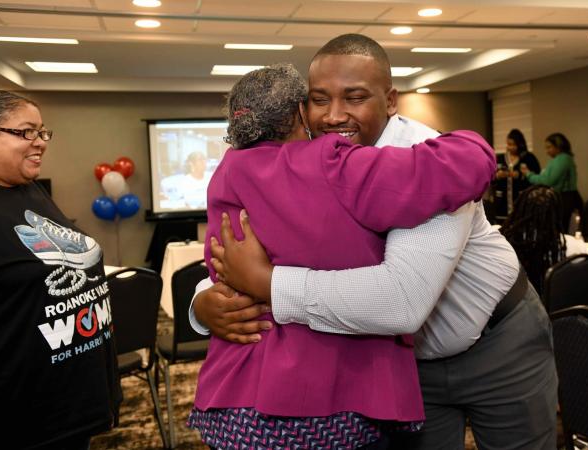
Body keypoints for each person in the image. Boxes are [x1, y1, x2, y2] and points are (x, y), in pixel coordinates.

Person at [193, 34, 558, 450]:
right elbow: (251, 244)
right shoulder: (305, 156)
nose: (334, 116)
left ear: (390, 101)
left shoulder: (420, 160)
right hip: (399, 365)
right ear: (300, 108)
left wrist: (266, 284)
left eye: (355, 97)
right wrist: (205, 304)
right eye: (318, 99)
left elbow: (401, 302)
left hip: (496, 342)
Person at [0, 91, 121, 449]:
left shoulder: (26, 187)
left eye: (43, 133)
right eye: (26, 132)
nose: (40, 143)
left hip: (69, 404)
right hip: (14, 417)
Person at [500, 185, 588, 294]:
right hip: (555, 307)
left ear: (519, 209)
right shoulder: (574, 246)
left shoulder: (501, 241)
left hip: (511, 308)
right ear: (558, 213)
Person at [521, 132, 582, 232]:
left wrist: (528, 174)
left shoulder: (562, 159)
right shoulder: (563, 159)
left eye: (549, 147)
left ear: (558, 146)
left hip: (566, 200)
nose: (547, 151)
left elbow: (547, 181)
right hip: (566, 198)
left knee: (563, 232)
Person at [494, 128, 541, 217]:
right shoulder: (500, 158)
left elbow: (536, 179)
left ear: (520, 144)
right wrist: (498, 175)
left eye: (513, 144)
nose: (510, 147)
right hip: (502, 202)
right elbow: (491, 177)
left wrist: (519, 175)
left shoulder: (528, 158)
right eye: (508, 144)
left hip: (522, 200)